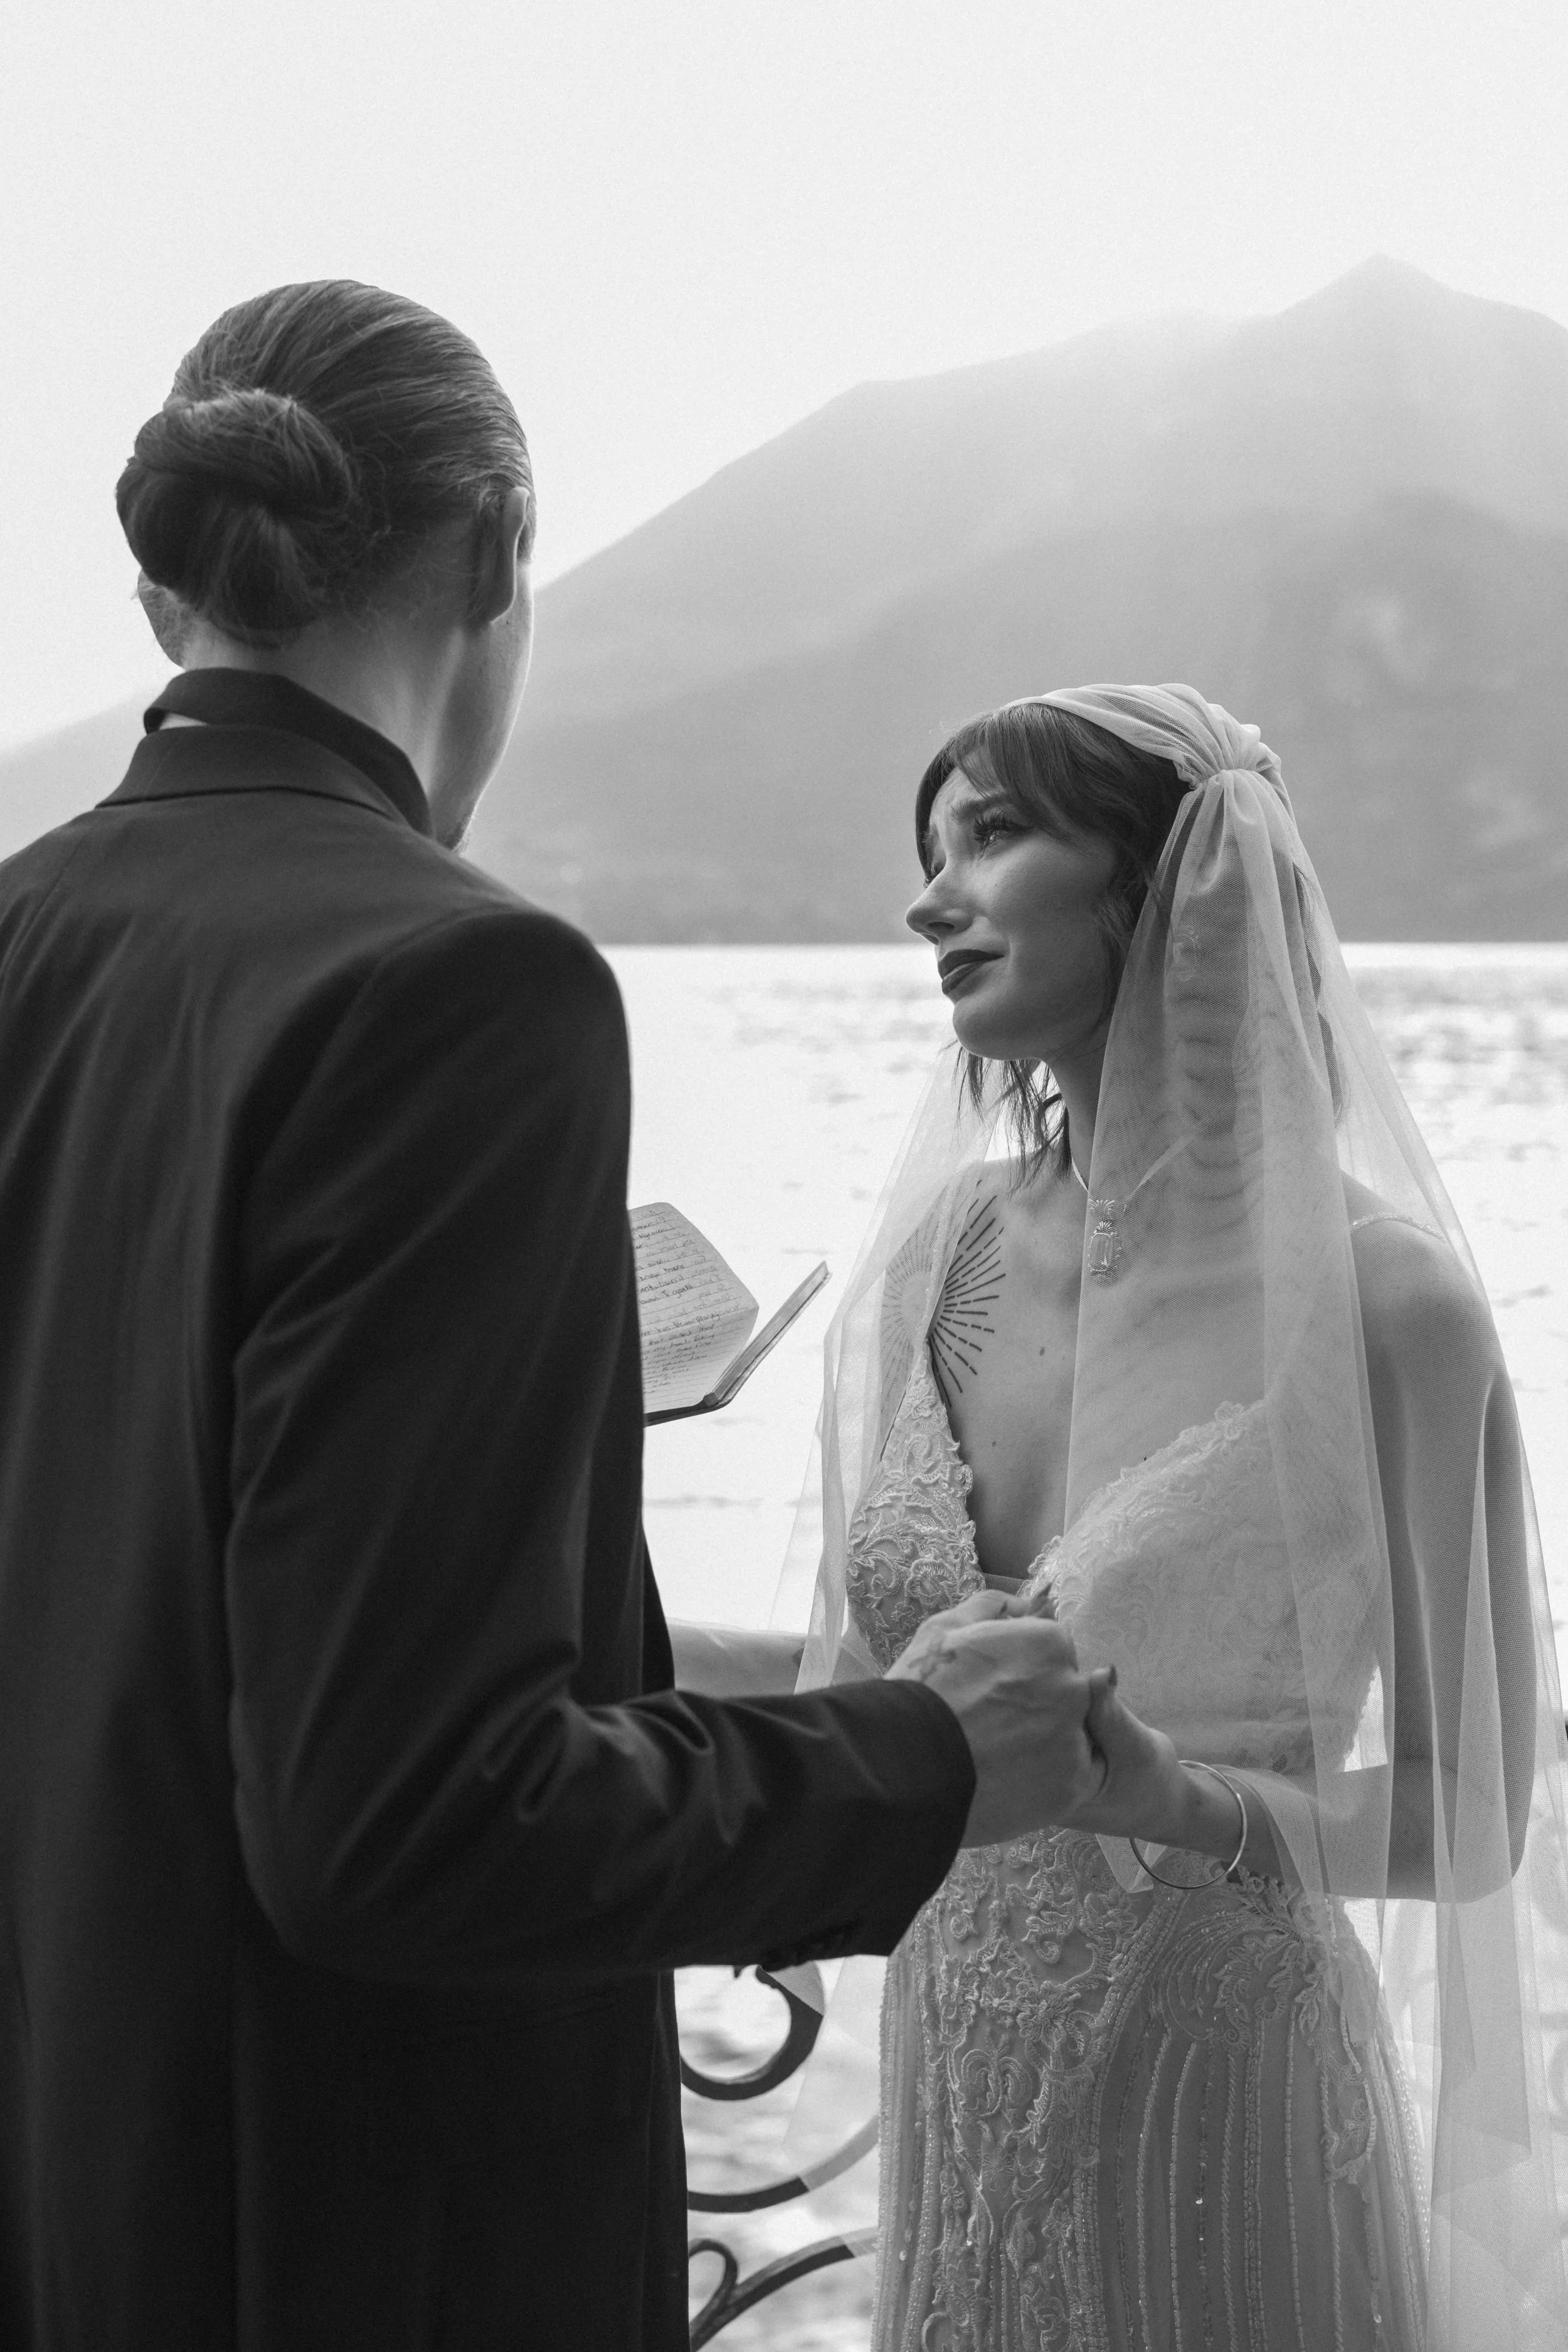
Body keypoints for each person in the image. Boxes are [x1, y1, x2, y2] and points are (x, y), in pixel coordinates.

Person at [0, 283, 1110, 2352]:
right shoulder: (456, 987)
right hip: (351, 2231)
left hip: (78, 2177)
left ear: (175, 606)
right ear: (504, 560)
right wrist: (914, 1756)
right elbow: (403, 1826)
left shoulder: (26, 932)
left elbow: (144, 1572)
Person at [775, 687, 1568, 2349]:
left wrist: (1181, 1796)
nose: (930, 899)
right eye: (930, 852)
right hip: (956, 2057)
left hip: (1222, 2093)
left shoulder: (1385, 1308)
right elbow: (849, 1677)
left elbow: (1468, 1814)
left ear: (1167, 883)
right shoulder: (933, 1258)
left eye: (989, 837)